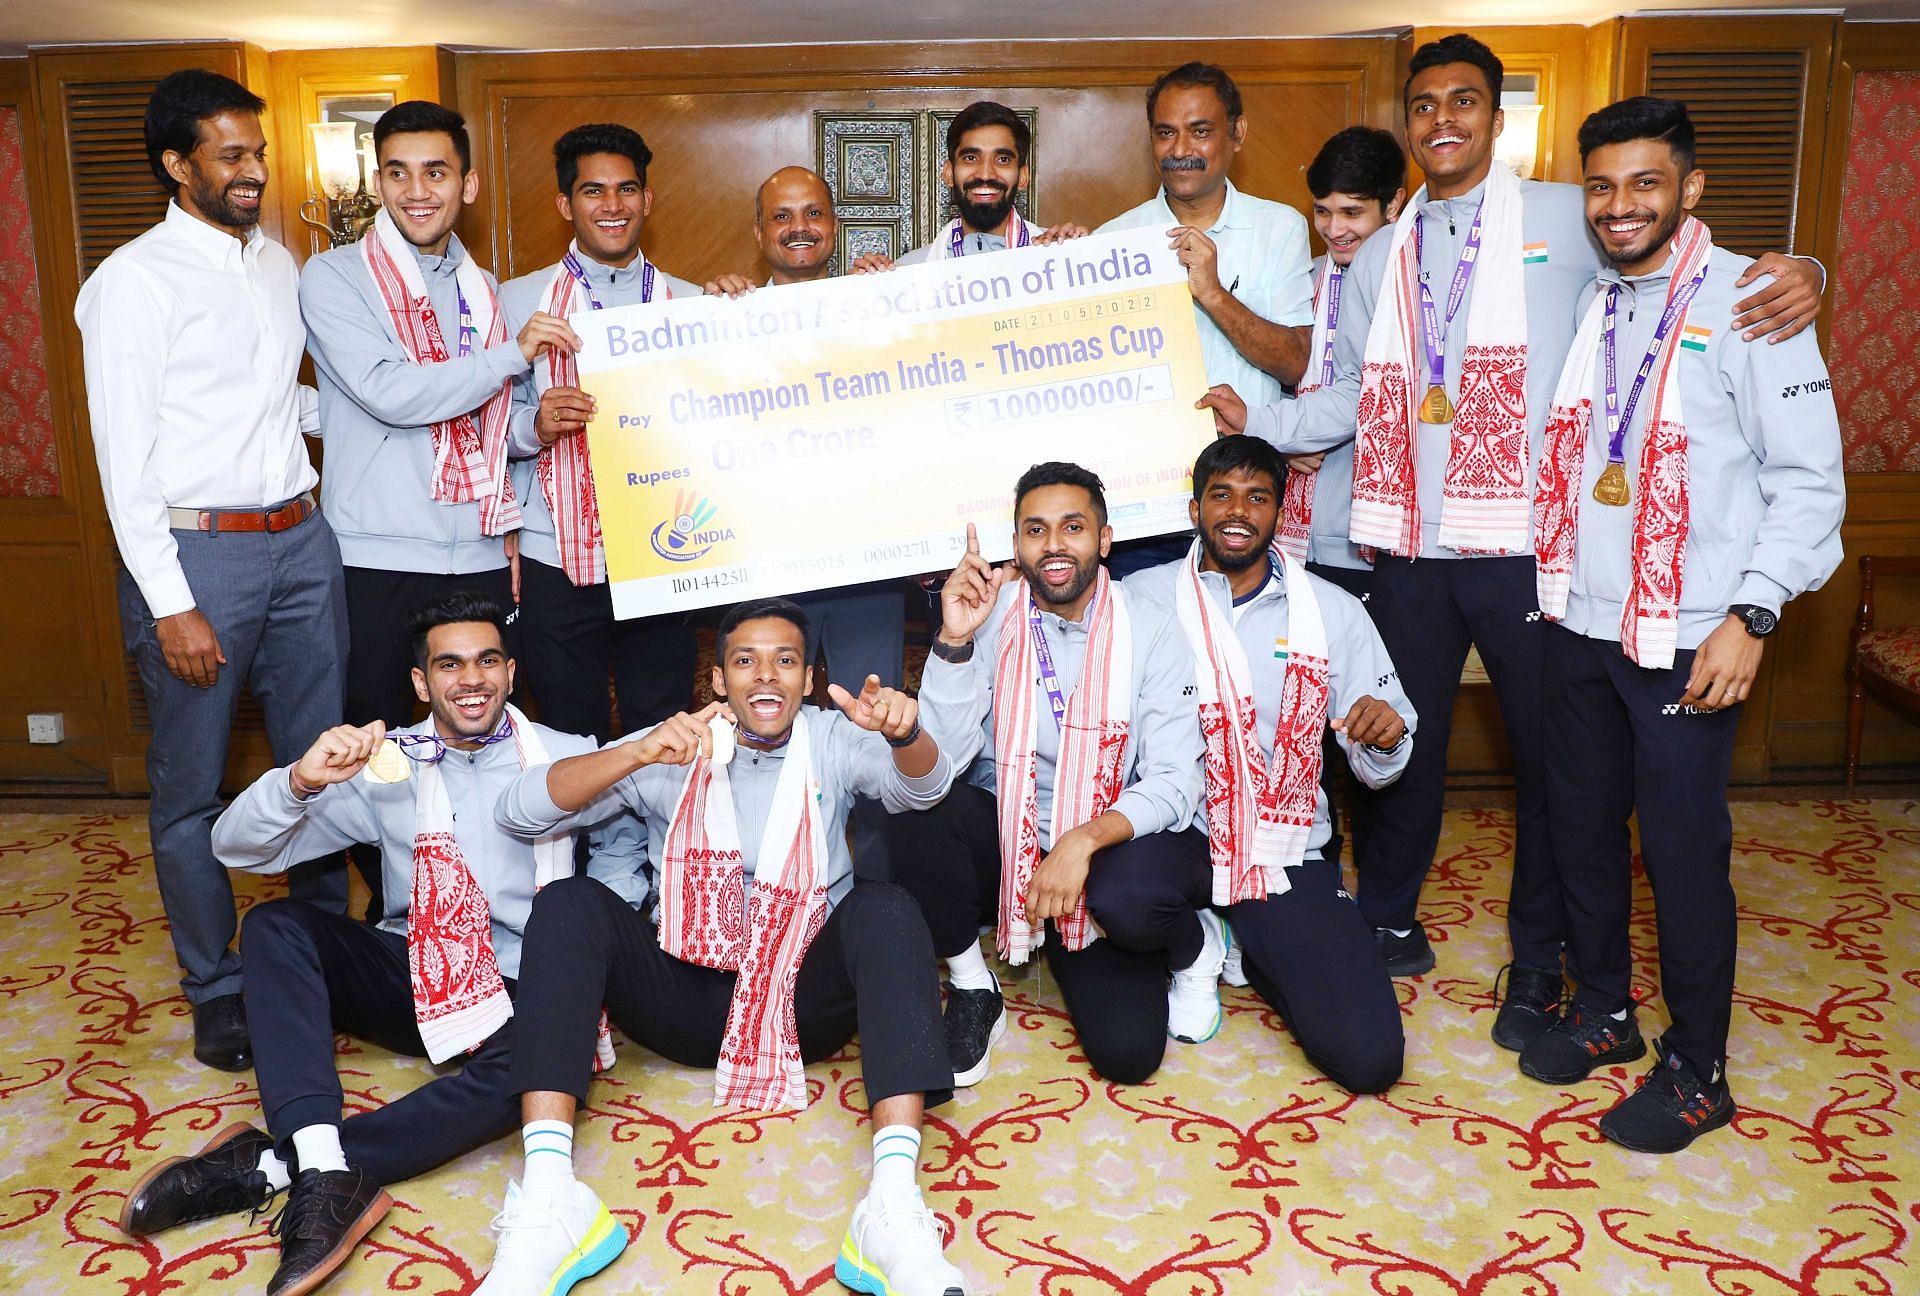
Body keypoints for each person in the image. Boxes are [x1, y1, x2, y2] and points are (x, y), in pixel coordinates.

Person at [1199, 35, 1826, 1051]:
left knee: (1555, 772)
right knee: (1394, 735)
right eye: (1425, 105)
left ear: (1497, 119)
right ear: (1409, 125)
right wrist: (1256, 427)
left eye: (1464, 102)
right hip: (1405, 546)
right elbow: (1356, 392)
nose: (1442, 120)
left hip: (1541, 550)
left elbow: (1682, 264)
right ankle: (1390, 920)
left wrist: (1805, 270)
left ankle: (1539, 964)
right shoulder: (1382, 254)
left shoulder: (1564, 218)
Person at [114, 593, 647, 1296]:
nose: (472, 679)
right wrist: (301, 781)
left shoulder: (566, 756)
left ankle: (288, 1164)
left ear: (511, 673)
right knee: (278, 926)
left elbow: (629, 828)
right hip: (412, 968)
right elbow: (235, 847)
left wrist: (599, 929)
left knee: (545, 1068)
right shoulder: (386, 762)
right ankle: (316, 1155)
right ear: (423, 683)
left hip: (521, 985)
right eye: (450, 665)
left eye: (488, 661)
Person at [483, 598, 967, 1296]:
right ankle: (552, 1197)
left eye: (785, 661)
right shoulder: (674, 742)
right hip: (685, 994)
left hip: (802, 1001)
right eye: (745, 660)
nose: (764, 676)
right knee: (568, 904)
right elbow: (520, 811)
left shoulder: (832, 737)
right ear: (718, 680)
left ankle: (891, 1205)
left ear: (807, 679)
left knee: (887, 908)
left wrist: (907, 731)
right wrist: (637, 752)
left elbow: (926, 789)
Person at [1523, 97, 1843, 1152]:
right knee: (1581, 835)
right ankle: (1608, 1011)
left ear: (1690, 189)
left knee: (1681, 855)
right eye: (1604, 188)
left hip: (1692, 633)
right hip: (1581, 622)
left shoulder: (1753, 300)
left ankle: (1699, 1070)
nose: (1622, 207)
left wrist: (1753, 617)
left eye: (1645, 184)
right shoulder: (1598, 302)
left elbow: (1809, 481)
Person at [74, 69, 350, 1072]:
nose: (252, 172)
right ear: (175, 164)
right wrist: (172, 602)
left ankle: (326, 957)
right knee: (190, 790)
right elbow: (122, 458)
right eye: (230, 155)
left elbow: (284, 406)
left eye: (258, 153)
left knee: (324, 765)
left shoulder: (275, 264)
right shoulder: (132, 283)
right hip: (197, 556)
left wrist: (386, 420)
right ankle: (218, 986)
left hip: (301, 543)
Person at [874, 463, 1205, 1086]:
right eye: (1035, 530)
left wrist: (1080, 842)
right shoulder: (993, 617)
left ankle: (1191, 939)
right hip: (1011, 829)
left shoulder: (1152, 625)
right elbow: (940, 759)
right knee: (915, 808)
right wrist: (952, 640)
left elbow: (1173, 780)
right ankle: (975, 984)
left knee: (1127, 1054)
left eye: (1072, 527)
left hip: (1109, 843)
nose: (1053, 545)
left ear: (1104, 541)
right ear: (1017, 544)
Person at [1124, 437, 1413, 1094]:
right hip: (1175, 828)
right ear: (1195, 506)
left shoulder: (1331, 610)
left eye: (1257, 498)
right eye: (1221, 494)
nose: (1237, 512)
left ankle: (1251, 937)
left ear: (1278, 511)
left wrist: (1385, 737)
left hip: (1280, 844)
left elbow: (1383, 765)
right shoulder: (1140, 596)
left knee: (1369, 1061)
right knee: (1120, 895)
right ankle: (1195, 941)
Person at [301, 100, 579, 733]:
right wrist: (512, 356)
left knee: (482, 735)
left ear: (467, 184)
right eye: (397, 173)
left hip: (480, 551)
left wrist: (536, 428)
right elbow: (392, 394)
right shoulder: (334, 276)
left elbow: (484, 425)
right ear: (377, 182)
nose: (416, 191)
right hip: (380, 557)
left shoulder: (483, 287)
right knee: (376, 740)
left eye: (436, 172)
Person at [498, 124, 701, 742]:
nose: (612, 206)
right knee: (566, 732)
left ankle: (658, 843)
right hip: (555, 554)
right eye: (593, 191)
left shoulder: (689, 303)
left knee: (662, 727)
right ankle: (574, 847)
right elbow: (475, 434)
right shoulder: (513, 302)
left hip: (666, 548)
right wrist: (534, 426)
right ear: (566, 205)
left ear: (647, 200)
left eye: (626, 190)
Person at [1099, 62, 1316, 578]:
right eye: (1165, 132)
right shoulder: (1111, 240)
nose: (1180, 150)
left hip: (1241, 502)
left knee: (1245, 651)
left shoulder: (1279, 227)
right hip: (1140, 501)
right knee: (1145, 652)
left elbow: (1294, 363)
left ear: (1237, 133)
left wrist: (1213, 294)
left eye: (1200, 131)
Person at [702, 166, 909, 693]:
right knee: (765, 719)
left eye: (813, 213)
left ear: (834, 227)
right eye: (782, 216)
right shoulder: (719, 320)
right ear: (759, 233)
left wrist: (901, 308)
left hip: (867, 560)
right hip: (766, 560)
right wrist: (705, 325)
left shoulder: (881, 308)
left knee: (870, 717)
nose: (800, 227)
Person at [894, 100, 1085, 265]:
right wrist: (868, 284)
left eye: (1002, 159)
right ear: (949, 173)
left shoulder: (1060, 255)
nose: (985, 174)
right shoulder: (908, 272)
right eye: (970, 158)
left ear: (1023, 176)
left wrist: (1083, 256)